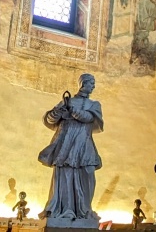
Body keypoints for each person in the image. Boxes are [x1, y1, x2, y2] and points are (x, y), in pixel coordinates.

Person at [38, 73, 104, 223]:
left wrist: (72, 111)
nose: (93, 86)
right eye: (91, 83)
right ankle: (63, 209)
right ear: (82, 84)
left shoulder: (94, 105)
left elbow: (89, 118)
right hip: (66, 143)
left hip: (83, 144)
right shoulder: (66, 101)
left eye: (93, 84)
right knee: (64, 174)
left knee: (87, 174)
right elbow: (50, 119)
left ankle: (84, 209)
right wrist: (58, 112)